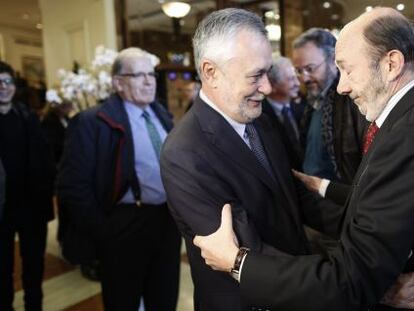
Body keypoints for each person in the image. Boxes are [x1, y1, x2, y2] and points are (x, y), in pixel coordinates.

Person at [194, 7, 414, 310]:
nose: (342, 86)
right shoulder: (396, 124)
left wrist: (238, 262)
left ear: (391, 64)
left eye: (348, 69)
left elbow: (348, 282)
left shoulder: (403, 134)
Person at [161, 8, 315, 311]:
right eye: (255, 76)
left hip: (293, 283)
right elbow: (250, 252)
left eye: (267, 73)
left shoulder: (258, 117)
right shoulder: (184, 154)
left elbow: (291, 196)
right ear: (210, 72)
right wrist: (345, 282)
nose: (267, 88)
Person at [57, 47, 181, 311]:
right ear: (117, 83)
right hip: (124, 225)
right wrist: (104, 231)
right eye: (139, 75)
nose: (149, 81)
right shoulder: (91, 122)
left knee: (164, 298)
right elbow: (72, 186)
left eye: (152, 74)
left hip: (166, 223)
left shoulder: (162, 115)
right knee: (123, 300)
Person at [0, 61, 55, 311]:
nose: (4, 87)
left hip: (31, 208)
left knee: (34, 266)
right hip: (2, 209)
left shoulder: (28, 116)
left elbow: (44, 160)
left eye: (8, 81)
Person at [293, 28, 367, 202]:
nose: (304, 78)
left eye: (310, 68)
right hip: (317, 200)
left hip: (344, 200)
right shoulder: (311, 101)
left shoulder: (352, 100)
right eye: (299, 70)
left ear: (333, 60)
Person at [261, 56, 304, 169]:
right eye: (290, 79)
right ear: (272, 84)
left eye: (296, 77)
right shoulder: (260, 115)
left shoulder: (304, 107)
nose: (298, 84)